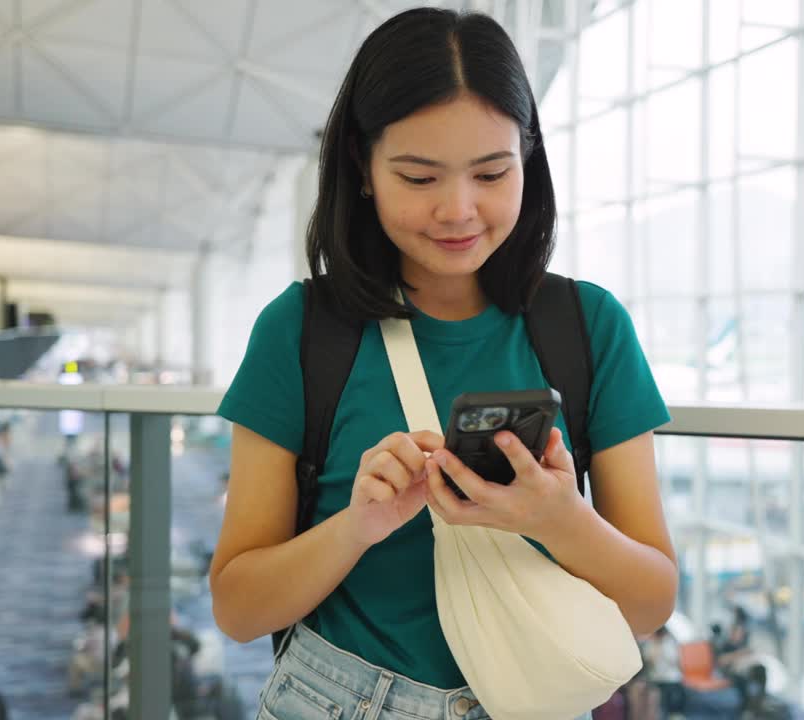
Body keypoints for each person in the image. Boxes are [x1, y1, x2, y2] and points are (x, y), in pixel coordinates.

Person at [209, 7, 676, 719]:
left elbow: (651, 602)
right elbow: (238, 610)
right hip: (336, 699)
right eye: (419, 178)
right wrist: (358, 526)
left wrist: (559, 519)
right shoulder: (301, 331)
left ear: (527, 159)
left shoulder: (588, 327)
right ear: (363, 169)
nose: (459, 210)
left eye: (491, 173)